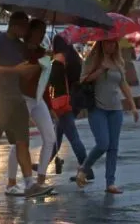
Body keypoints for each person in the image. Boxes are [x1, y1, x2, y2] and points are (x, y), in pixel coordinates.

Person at [0, 12, 53, 198]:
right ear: (16, 26)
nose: (26, 31)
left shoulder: (20, 46)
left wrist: (42, 63)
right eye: (25, 27)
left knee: (22, 141)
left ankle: (29, 184)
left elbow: (24, 74)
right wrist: (15, 70)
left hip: (17, 99)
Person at [75, 39, 139, 193]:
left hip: (115, 109)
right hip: (97, 109)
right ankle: (84, 168)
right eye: (108, 43)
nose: (111, 45)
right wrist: (100, 70)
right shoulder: (92, 60)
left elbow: (123, 84)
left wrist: (133, 106)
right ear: (101, 44)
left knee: (113, 147)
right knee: (103, 144)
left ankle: (110, 183)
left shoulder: (117, 61)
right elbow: (83, 80)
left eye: (113, 43)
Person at [4, 19, 57, 196]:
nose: (41, 35)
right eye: (38, 31)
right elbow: (24, 76)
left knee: (50, 137)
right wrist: (40, 61)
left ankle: (40, 180)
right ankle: (11, 183)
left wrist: (50, 106)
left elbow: (45, 82)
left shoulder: (43, 52)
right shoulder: (21, 50)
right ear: (30, 31)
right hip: (22, 98)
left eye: (43, 32)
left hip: (37, 98)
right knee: (20, 141)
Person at [48, 35, 93, 183]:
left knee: (73, 137)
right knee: (57, 135)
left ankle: (86, 169)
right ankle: (44, 164)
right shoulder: (74, 57)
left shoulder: (61, 60)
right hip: (74, 101)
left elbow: (53, 80)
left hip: (64, 103)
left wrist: (51, 63)